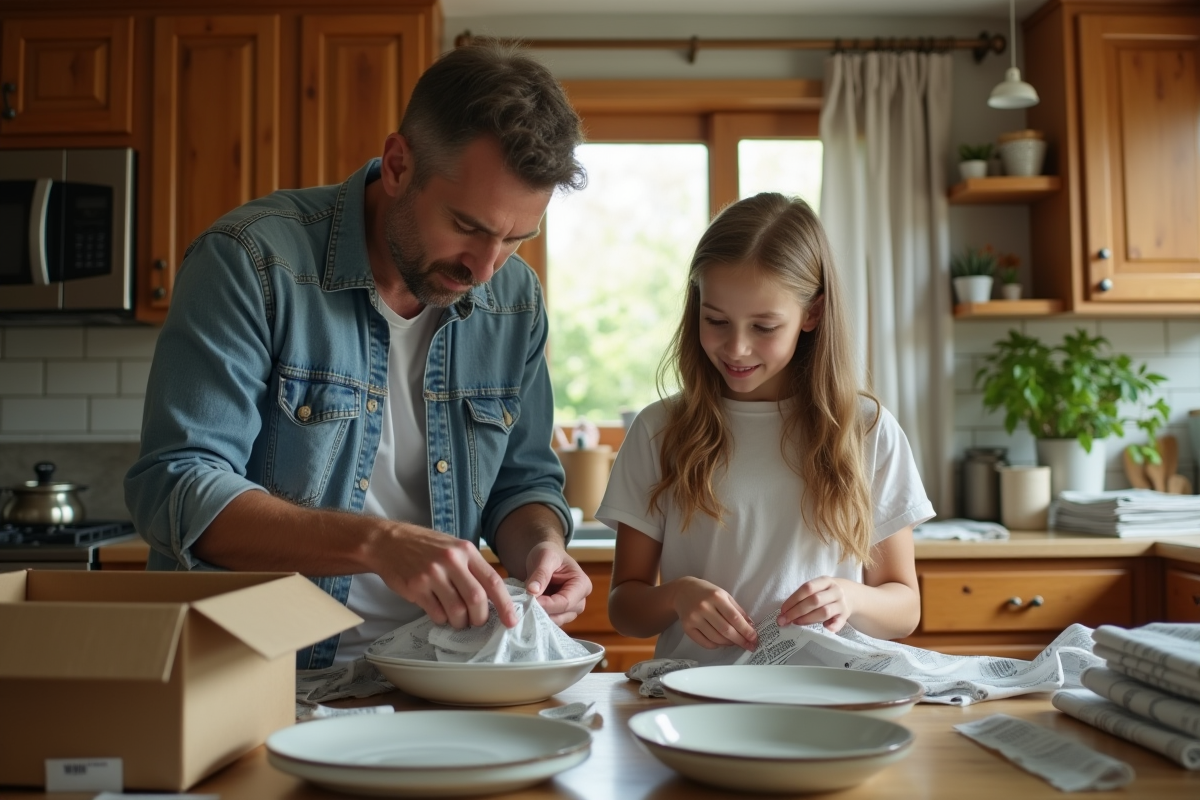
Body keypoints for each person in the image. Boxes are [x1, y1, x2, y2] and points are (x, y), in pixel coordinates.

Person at [125, 41, 592, 669]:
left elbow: (523, 481)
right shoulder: (251, 261)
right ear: (398, 165)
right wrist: (377, 544)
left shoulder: (514, 298)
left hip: (436, 676)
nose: (485, 268)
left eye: (515, 238)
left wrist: (542, 544)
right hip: (259, 677)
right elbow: (177, 488)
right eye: (467, 225)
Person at [598, 192, 935, 665]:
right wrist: (676, 596)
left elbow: (904, 607)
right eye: (716, 320)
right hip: (698, 698)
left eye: (764, 327)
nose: (736, 348)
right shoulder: (660, 431)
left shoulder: (865, 430)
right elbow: (625, 607)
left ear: (812, 315)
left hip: (827, 698)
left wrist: (851, 598)